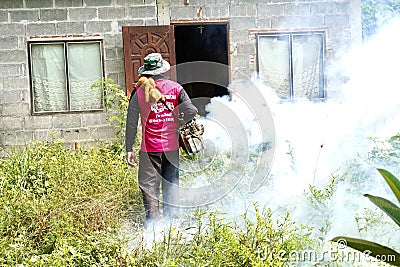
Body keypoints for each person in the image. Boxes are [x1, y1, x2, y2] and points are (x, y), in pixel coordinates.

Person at [125, 53, 198, 225]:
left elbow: (131, 122)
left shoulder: (138, 92)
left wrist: (129, 149)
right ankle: (173, 226)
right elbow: (191, 111)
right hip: (171, 148)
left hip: (149, 150)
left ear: (146, 71)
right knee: (171, 185)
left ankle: (154, 228)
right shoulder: (175, 88)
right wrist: (177, 120)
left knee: (149, 188)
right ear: (163, 69)